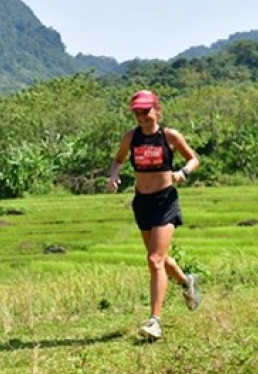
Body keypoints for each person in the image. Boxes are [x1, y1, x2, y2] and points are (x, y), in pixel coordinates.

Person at [107, 89, 201, 340]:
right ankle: (186, 282)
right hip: (142, 202)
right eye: (137, 112)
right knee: (159, 258)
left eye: (145, 111)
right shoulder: (131, 137)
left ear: (156, 110)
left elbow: (193, 159)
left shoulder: (169, 136)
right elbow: (118, 160)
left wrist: (183, 172)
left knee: (154, 260)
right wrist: (114, 175)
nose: (141, 116)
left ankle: (155, 321)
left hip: (165, 201)